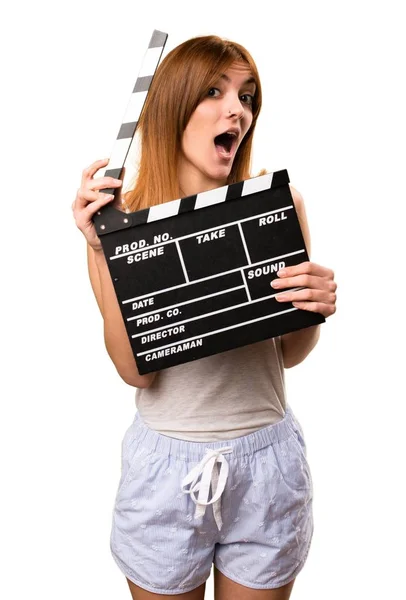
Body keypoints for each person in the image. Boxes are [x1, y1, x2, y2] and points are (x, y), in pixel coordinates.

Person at [72, 34, 337, 600]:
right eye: (214, 91)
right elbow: (136, 372)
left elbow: (288, 352)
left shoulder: (274, 205)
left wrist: (311, 309)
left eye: (247, 96)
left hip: (267, 458)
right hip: (166, 469)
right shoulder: (119, 225)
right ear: (173, 105)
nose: (236, 110)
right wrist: (103, 251)